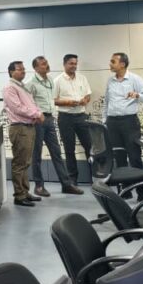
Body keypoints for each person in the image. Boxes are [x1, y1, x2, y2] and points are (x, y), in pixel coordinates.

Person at [26, 56, 82, 197]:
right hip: (38, 121)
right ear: (36, 68)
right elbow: (28, 104)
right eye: (43, 64)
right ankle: (39, 186)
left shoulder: (50, 80)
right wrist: (36, 115)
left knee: (56, 152)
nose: (46, 65)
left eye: (46, 63)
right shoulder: (31, 84)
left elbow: (51, 100)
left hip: (50, 119)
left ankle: (66, 184)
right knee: (36, 154)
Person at [104, 52, 143, 197]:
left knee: (134, 157)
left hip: (129, 122)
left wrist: (137, 95)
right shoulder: (110, 81)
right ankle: (126, 191)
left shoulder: (135, 79)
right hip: (112, 123)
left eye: (113, 61)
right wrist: (105, 120)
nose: (110, 64)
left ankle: (141, 192)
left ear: (122, 64)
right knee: (119, 157)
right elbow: (107, 102)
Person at [3, 60, 44, 207]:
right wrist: (36, 114)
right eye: (19, 69)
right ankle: (19, 196)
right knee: (20, 163)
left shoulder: (22, 86)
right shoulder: (10, 88)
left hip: (28, 127)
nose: (23, 71)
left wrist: (37, 112)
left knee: (26, 162)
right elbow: (17, 108)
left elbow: (31, 104)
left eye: (23, 69)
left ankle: (25, 192)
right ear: (11, 72)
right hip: (20, 128)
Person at [54, 53, 93, 187]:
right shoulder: (58, 80)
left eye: (75, 63)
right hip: (65, 118)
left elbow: (88, 95)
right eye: (71, 63)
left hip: (81, 116)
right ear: (64, 64)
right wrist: (68, 102)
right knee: (69, 149)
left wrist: (85, 100)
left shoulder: (82, 78)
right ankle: (73, 179)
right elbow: (54, 100)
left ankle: (95, 176)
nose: (74, 66)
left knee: (90, 147)